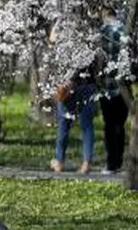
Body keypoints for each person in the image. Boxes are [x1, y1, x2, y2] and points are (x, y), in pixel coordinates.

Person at [50, 64, 98, 174]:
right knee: (86, 126)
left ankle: (59, 161)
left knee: (64, 125)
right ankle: (86, 162)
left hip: (66, 86)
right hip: (86, 84)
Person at [98, 11, 129, 174]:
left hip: (105, 87)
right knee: (120, 125)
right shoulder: (125, 30)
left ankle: (111, 163)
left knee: (109, 125)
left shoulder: (101, 32)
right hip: (123, 87)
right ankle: (119, 160)